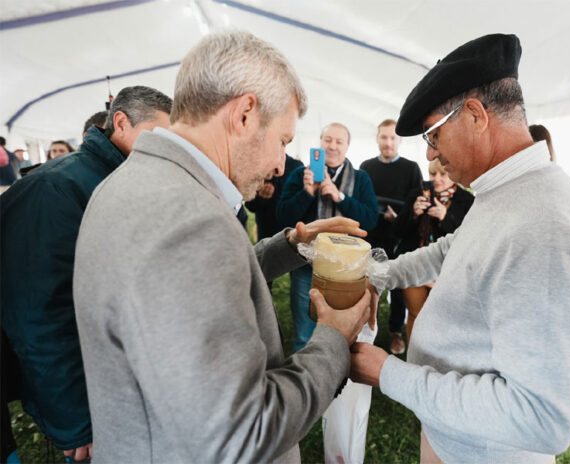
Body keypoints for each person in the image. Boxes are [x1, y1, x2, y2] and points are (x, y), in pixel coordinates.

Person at [73, 31, 371, 463]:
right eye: (282, 141)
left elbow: (202, 287)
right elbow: (241, 435)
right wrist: (334, 339)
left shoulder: (136, 181)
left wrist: (292, 243)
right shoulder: (190, 220)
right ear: (244, 115)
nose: (278, 165)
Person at [349, 34, 570, 463]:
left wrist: (388, 373)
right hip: (457, 436)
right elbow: (454, 249)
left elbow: (539, 417)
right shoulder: (507, 191)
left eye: (433, 135)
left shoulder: (546, 228)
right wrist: (380, 275)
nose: (431, 156)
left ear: (474, 115)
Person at [1, 85, 172, 463]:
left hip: (119, 380)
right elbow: (40, 315)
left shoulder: (120, 177)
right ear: (121, 122)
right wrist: (75, 420)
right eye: (157, 135)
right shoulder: (56, 188)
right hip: (88, 403)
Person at [277, 122, 379, 351]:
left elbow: (370, 219)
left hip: (346, 269)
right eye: (328, 140)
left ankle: (338, 366)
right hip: (306, 264)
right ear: (320, 143)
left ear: (347, 146)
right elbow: (283, 216)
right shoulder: (301, 175)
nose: (332, 146)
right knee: (304, 330)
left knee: (343, 330)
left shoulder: (360, 178)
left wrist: (339, 197)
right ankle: (303, 368)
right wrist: (307, 193)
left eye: (339, 141)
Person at [360, 119, 422, 354]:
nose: (388, 142)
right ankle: (366, 330)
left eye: (392, 138)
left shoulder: (411, 168)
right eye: (384, 137)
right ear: (377, 139)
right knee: (368, 286)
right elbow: (362, 202)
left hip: (399, 238)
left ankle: (396, 330)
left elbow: (416, 205)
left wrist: (400, 217)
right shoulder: (366, 167)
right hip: (371, 237)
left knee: (398, 288)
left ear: (400, 140)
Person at [395, 157, 473, 342]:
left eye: (443, 174)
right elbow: (397, 230)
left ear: (452, 173)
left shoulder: (467, 199)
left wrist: (446, 218)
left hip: (447, 270)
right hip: (416, 264)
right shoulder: (417, 194)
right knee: (415, 314)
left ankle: (435, 355)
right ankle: (413, 356)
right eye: (432, 173)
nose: (437, 178)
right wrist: (413, 214)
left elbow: (470, 238)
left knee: (444, 319)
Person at [245, 153, 303, 243]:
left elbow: (302, 208)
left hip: (291, 237)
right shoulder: (258, 164)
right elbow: (250, 205)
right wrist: (260, 197)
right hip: (265, 236)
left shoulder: (296, 166)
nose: (280, 171)